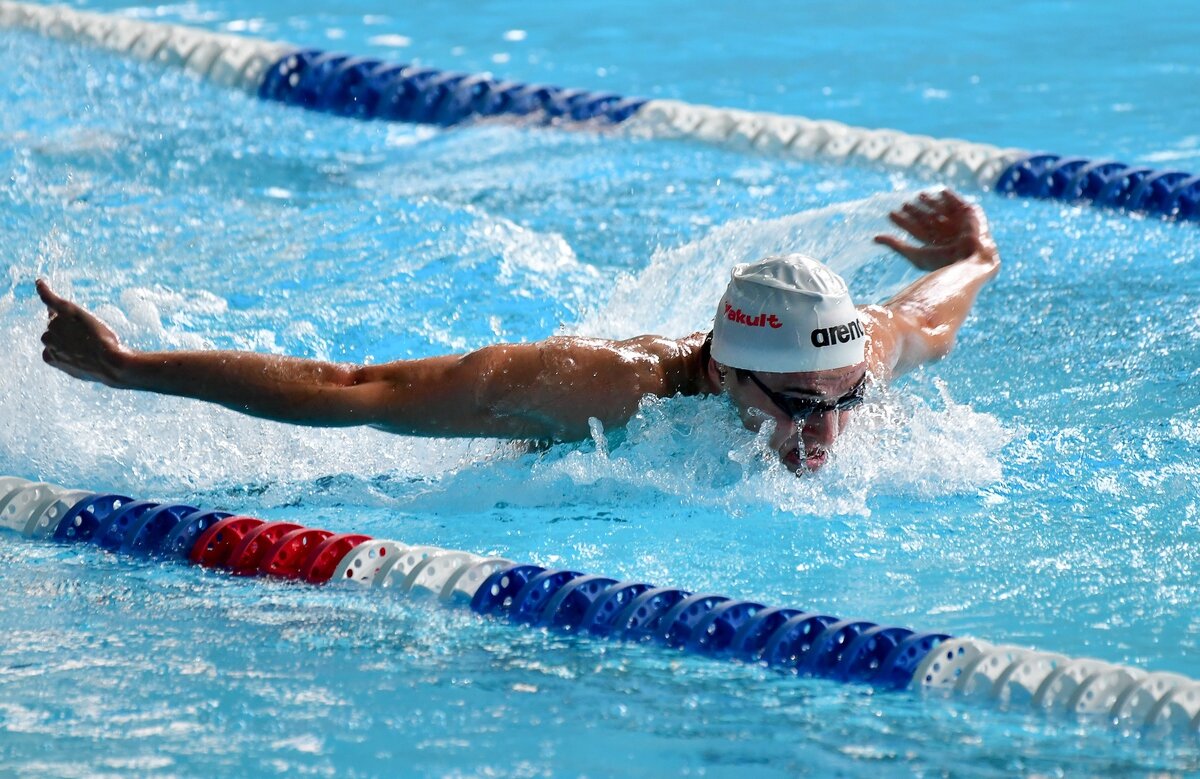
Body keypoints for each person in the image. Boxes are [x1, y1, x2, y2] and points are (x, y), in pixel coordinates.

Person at [36, 188, 999, 473]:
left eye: (844, 404)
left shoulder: (845, 357)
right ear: (730, 374)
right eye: (797, 407)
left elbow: (926, 317)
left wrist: (975, 256)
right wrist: (125, 369)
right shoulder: (598, 388)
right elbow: (353, 389)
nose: (825, 436)